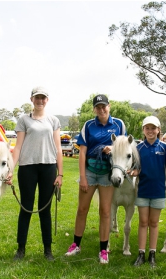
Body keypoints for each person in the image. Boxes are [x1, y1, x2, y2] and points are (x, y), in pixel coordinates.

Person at [65, 94, 127, 264]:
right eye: (98, 107)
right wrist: (83, 177)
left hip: (108, 172)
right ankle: (76, 244)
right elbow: (82, 152)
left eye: (104, 106)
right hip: (91, 171)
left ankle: (103, 249)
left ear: (109, 106)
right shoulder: (88, 125)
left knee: (105, 212)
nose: (101, 110)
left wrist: (112, 147)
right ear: (94, 109)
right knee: (82, 209)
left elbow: (123, 147)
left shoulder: (119, 124)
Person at [9, 86, 63, 261]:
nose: (40, 100)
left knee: (44, 210)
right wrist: (10, 169)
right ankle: (20, 249)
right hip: (27, 167)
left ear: (47, 100)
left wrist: (60, 173)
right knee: (26, 208)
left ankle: (47, 250)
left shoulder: (53, 120)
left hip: (48, 167)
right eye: (37, 97)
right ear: (31, 99)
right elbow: (17, 147)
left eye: (43, 98)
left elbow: (58, 149)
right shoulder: (24, 120)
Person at [129, 116, 166, 267]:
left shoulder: (165, 148)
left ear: (159, 130)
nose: (150, 131)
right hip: (142, 191)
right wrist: (134, 172)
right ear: (143, 130)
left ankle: (152, 254)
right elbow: (136, 168)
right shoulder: (138, 148)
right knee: (143, 222)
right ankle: (141, 254)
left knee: (153, 223)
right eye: (147, 128)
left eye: (153, 128)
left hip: (159, 191)